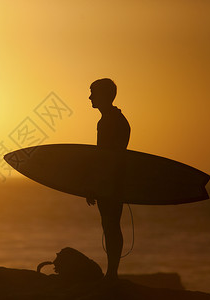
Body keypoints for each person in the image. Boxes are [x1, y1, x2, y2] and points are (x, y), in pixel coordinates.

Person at [87, 78, 130, 281]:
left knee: (111, 225)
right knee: (110, 225)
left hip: (111, 182)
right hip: (115, 181)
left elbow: (106, 158)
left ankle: (112, 273)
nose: (90, 97)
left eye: (93, 93)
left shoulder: (110, 122)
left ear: (104, 96)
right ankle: (112, 272)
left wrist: (95, 186)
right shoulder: (112, 119)